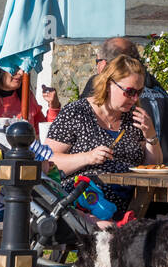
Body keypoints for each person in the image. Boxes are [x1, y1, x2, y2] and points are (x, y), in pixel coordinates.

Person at [46, 56, 161, 212]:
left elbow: (152, 166)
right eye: (129, 92)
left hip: (133, 202)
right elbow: (47, 163)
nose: (135, 99)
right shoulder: (77, 112)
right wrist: (87, 157)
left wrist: (151, 136)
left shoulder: (134, 118)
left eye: (139, 92)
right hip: (86, 202)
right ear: (108, 84)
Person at [80, 37, 168, 163]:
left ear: (104, 65)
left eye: (98, 61)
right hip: (167, 164)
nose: (135, 97)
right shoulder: (158, 88)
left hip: (141, 171)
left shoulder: (102, 86)